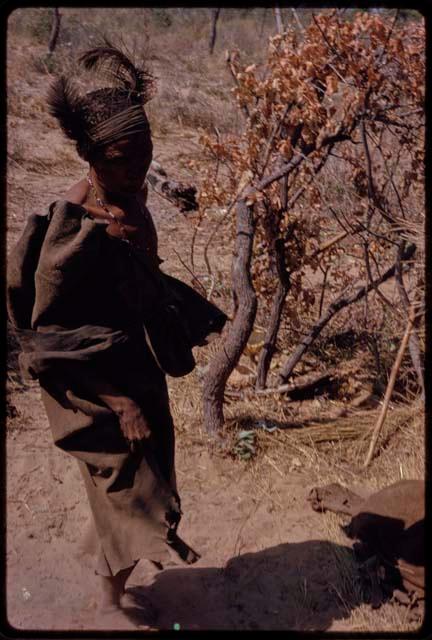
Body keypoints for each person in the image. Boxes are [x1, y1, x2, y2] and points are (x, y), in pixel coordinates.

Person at [7, 42, 226, 629]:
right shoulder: (74, 234)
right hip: (89, 378)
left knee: (136, 480)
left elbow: (142, 212)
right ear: (89, 156)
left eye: (146, 149)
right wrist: (118, 400)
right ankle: (108, 605)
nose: (139, 164)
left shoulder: (132, 188)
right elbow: (47, 343)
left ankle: (110, 580)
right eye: (125, 156)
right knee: (130, 485)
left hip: (134, 358)